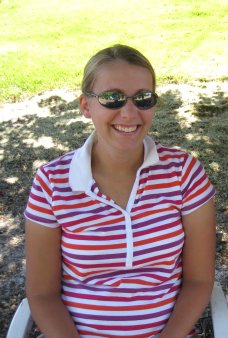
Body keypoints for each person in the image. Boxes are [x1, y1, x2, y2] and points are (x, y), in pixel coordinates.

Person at [24, 44, 216, 338]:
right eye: (111, 98)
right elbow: (42, 293)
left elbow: (199, 280)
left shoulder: (184, 173)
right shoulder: (52, 182)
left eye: (143, 98)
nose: (129, 113)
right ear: (86, 106)